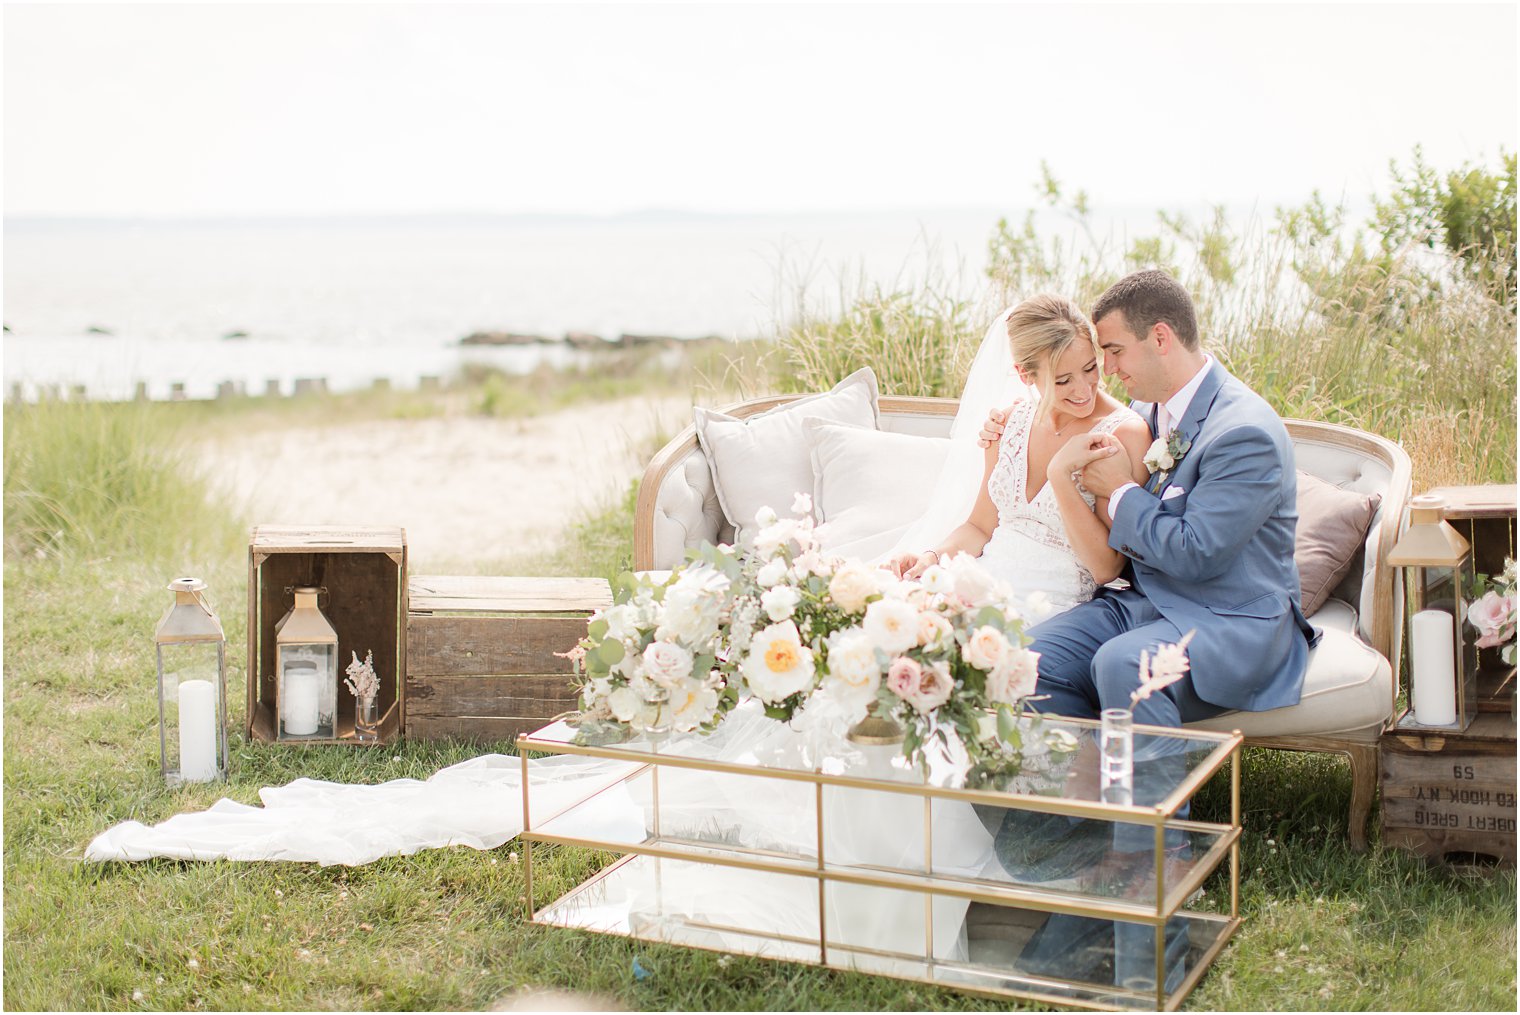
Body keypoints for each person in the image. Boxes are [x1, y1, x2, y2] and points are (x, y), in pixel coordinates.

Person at [978, 269, 1319, 994]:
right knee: (1020, 664)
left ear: (1160, 337)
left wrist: (1121, 492)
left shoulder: (1246, 430)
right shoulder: (1153, 408)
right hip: (1148, 598)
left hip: (1229, 617)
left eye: (1115, 351)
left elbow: (1197, 550)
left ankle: (1145, 928)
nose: (1109, 372)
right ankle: (1099, 864)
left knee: (1126, 668)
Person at [888, 294, 1152, 617]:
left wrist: (1061, 474)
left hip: (1050, 608)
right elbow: (980, 527)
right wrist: (932, 556)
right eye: (1063, 380)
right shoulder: (1009, 423)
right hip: (984, 581)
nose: (1084, 390)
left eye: (1090, 368)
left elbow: (1105, 568)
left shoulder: (1122, 434)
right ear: (1025, 375)